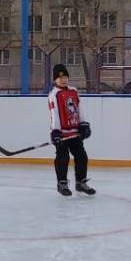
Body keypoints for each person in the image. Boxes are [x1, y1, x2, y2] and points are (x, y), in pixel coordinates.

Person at [47, 64, 94, 196]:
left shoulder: (74, 91)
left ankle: (81, 183)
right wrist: (55, 131)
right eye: (60, 77)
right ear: (55, 80)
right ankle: (62, 183)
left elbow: (79, 108)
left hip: (75, 132)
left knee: (81, 156)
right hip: (62, 133)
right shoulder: (54, 94)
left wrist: (83, 124)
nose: (63, 79)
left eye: (65, 76)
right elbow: (54, 113)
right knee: (63, 157)